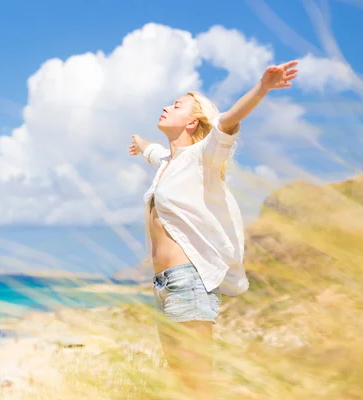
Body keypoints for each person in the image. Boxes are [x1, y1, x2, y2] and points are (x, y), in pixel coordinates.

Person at [128, 60, 299, 397]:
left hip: (189, 280)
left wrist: (263, 87)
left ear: (193, 121)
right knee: (179, 380)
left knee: (197, 381)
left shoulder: (204, 156)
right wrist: (139, 143)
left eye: (176, 105)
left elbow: (228, 120)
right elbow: (152, 151)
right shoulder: (167, 161)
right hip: (163, 285)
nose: (166, 106)